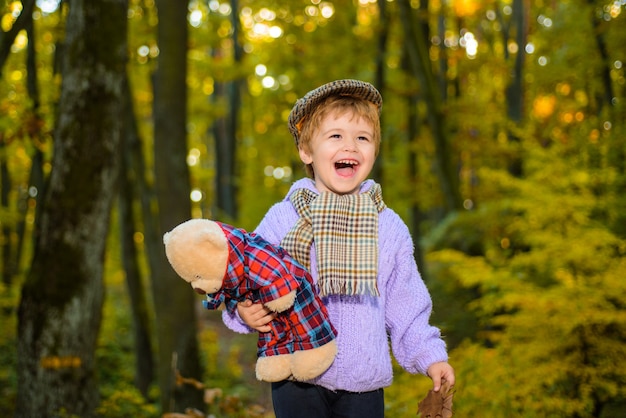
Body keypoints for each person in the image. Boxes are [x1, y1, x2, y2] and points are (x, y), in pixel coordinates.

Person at [222, 79, 455, 418]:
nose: (351, 146)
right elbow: (247, 275)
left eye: (363, 138)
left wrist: (431, 355)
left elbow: (406, 303)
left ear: (374, 150)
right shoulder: (284, 217)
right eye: (336, 136)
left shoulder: (388, 227)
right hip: (295, 372)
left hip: (362, 380)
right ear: (306, 151)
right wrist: (243, 311)